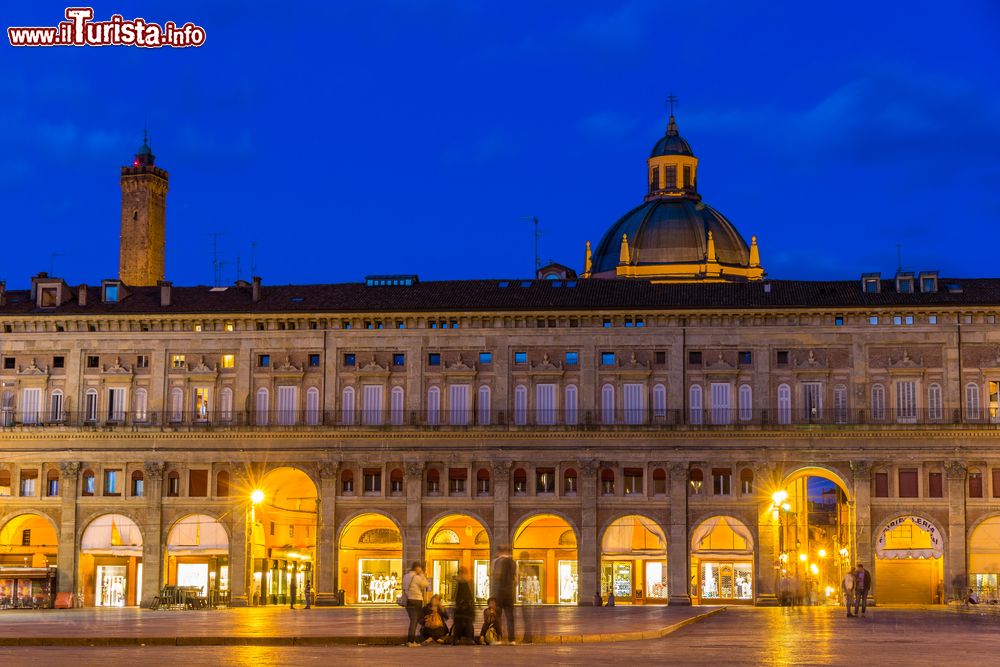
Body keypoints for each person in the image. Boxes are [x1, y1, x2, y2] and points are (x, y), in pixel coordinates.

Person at [492, 545, 516, 644]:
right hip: (509, 593)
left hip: (500, 593)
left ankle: (499, 639)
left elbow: (496, 578)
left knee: (498, 616)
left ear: (500, 552)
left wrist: (493, 595)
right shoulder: (513, 563)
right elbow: (515, 579)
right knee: (510, 617)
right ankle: (512, 639)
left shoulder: (498, 562)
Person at [402, 562, 430, 647]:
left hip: (408, 600)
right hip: (416, 600)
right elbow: (426, 584)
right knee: (414, 621)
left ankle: (410, 640)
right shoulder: (417, 577)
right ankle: (411, 641)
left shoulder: (406, 576)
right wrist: (422, 574)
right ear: (417, 568)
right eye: (420, 568)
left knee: (413, 620)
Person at [451, 567, 476, 644]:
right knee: (468, 622)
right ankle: (469, 638)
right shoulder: (470, 580)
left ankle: (456, 639)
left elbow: (454, 594)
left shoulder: (456, 581)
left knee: (458, 623)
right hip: (467, 604)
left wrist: (454, 604)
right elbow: (472, 593)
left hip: (460, 604)